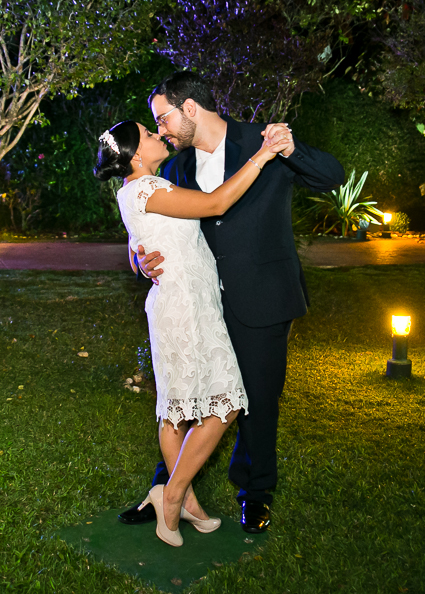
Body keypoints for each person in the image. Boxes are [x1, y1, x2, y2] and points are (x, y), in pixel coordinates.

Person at [120, 71, 345, 534]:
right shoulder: (176, 168)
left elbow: (332, 177)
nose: (160, 130)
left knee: (258, 402)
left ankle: (255, 492)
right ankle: (168, 488)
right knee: (189, 394)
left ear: (189, 109)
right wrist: (138, 256)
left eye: (162, 119)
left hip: (263, 296)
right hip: (199, 303)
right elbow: (151, 217)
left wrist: (291, 149)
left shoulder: (262, 141)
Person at [94, 119, 291, 546]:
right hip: (185, 307)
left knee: (176, 408)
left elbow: (138, 245)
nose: (157, 136)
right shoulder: (148, 190)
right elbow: (217, 204)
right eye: (148, 134)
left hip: (184, 302)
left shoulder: (137, 191)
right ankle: (173, 493)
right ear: (135, 156)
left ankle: (187, 503)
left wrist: (138, 261)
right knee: (226, 404)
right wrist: (262, 155)